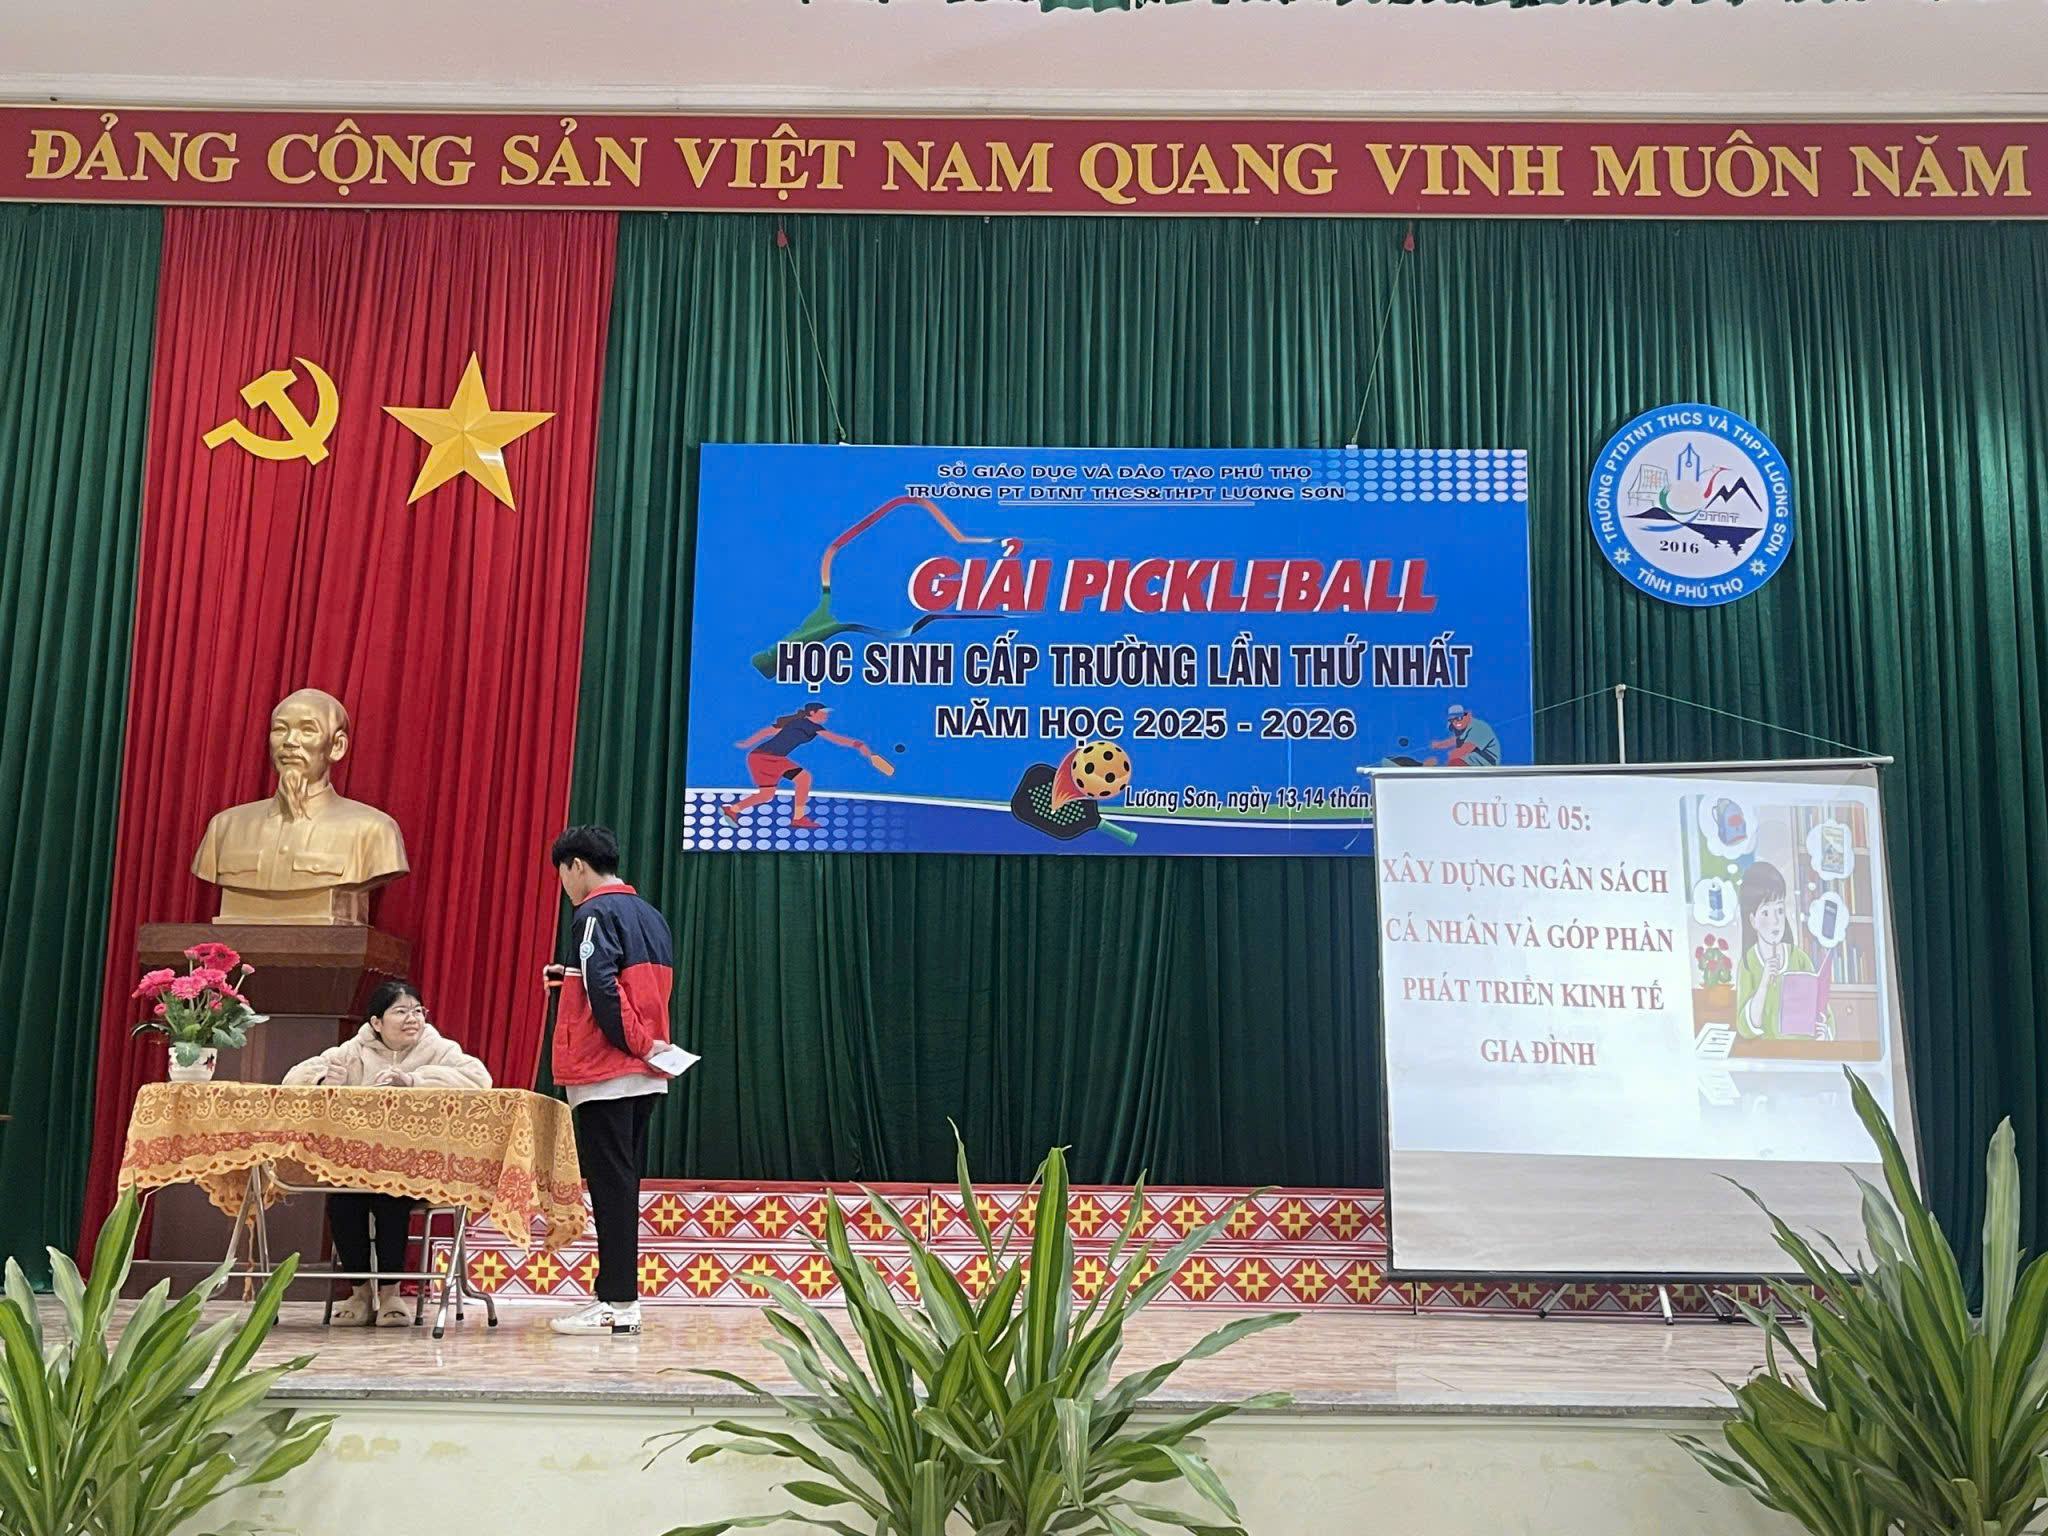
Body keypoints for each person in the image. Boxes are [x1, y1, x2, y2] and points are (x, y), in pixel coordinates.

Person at [283, 979, 490, 1325]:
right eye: (401, 1011)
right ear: (376, 1022)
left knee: (390, 1198)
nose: (413, 1019)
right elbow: (293, 1079)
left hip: (416, 1167)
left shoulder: (439, 1049)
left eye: (417, 1011)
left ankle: (392, 1294)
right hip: (355, 1166)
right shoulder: (354, 1050)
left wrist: (415, 1082)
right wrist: (323, 1081)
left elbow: (480, 1080)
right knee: (343, 1202)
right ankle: (360, 1293)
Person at [545, 825, 680, 1336]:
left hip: (608, 1070)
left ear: (576, 865)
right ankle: (616, 1297)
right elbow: (632, 986)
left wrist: (638, 1043)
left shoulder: (593, 913)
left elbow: (604, 990)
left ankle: (619, 1303)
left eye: (562, 873)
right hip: (646, 1072)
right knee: (621, 1185)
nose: (564, 884)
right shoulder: (650, 914)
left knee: (611, 1188)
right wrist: (567, 981)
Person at [724, 702, 873, 830]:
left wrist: (748, 743)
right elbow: (835, 738)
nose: (826, 715)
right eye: (823, 712)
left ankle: (732, 809)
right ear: (812, 713)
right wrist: (858, 745)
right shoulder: (809, 725)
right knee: (803, 778)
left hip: (759, 757)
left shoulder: (797, 723)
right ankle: (798, 818)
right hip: (766, 758)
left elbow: (768, 731)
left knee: (767, 794)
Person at [1734, 860, 1833, 1040]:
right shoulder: (1748, 964)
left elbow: (1824, 1010)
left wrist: (1823, 1032)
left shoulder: (1799, 958)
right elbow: (1745, 1028)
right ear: (1752, 920)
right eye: (1765, 913)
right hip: (1771, 1054)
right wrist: (1764, 982)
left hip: (1803, 1050)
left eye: (1779, 910)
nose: (1775, 921)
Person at [1431, 703, 1501, 767]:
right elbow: (1456, 739)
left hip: (1487, 761)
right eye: (1452, 720)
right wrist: (1439, 745)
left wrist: (1438, 760)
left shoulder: (1479, 727)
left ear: (1467, 716)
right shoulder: (1462, 727)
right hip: (1471, 757)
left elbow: (1464, 750)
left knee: (1455, 762)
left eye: (1459, 718)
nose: (1455, 722)